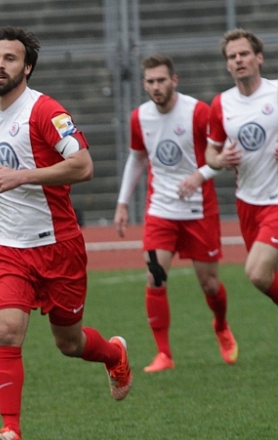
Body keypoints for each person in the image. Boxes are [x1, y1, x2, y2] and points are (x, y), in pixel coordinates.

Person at [0, 26, 132, 440]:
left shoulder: (46, 111)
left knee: (69, 342)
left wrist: (21, 177)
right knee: (6, 332)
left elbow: (82, 165)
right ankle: (12, 431)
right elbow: (2, 167)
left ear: (27, 67)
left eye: (9, 58)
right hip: (8, 246)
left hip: (58, 246)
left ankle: (114, 353)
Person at [114, 54, 238, 372]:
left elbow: (220, 157)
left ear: (174, 80)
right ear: (144, 84)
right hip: (161, 211)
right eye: (150, 81)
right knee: (155, 278)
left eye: (161, 80)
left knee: (210, 284)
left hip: (200, 210)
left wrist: (199, 177)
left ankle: (221, 326)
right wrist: (123, 202)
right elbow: (137, 158)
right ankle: (164, 354)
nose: (156, 86)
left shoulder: (198, 112)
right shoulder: (139, 117)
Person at [205, 29, 278, 309]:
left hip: (276, 201)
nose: (238, 60)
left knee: (257, 273)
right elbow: (211, 151)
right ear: (227, 64)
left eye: (244, 54)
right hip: (248, 202)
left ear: (259, 58)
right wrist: (220, 160)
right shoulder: (221, 103)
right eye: (232, 56)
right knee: (270, 275)